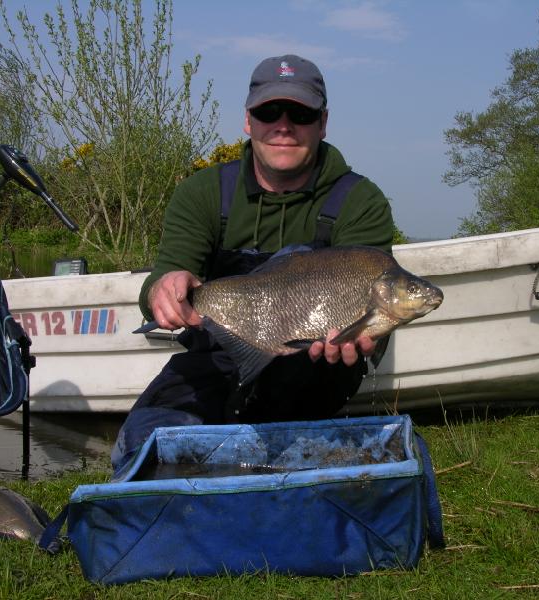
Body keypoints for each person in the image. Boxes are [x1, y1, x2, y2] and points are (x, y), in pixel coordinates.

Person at [111, 54, 395, 475]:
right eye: (268, 111)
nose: (283, 125)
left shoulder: (361, 200)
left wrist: (359, 338)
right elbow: (164, 274)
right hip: (217, 358)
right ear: (248, 120)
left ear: (323, 122)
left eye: (300, 112)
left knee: (298, 417)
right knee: (149, 444)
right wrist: (162, 290)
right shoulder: (202, 192)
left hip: (312, 366)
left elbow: (370, 320)